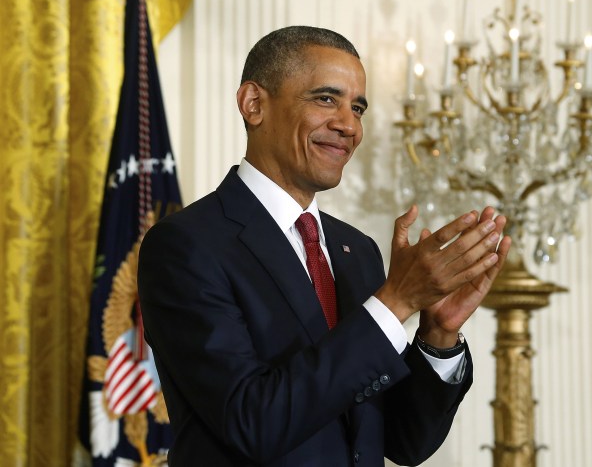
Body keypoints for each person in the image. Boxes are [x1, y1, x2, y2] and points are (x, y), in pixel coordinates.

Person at [138, 25, 510, 467]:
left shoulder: (357, 250)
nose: (349, 125)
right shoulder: (186, 245)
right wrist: (395, 302)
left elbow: (402, 441)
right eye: (325, 99)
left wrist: (438, 335)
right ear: (254, 104)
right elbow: (252, 421)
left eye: (358, 108)